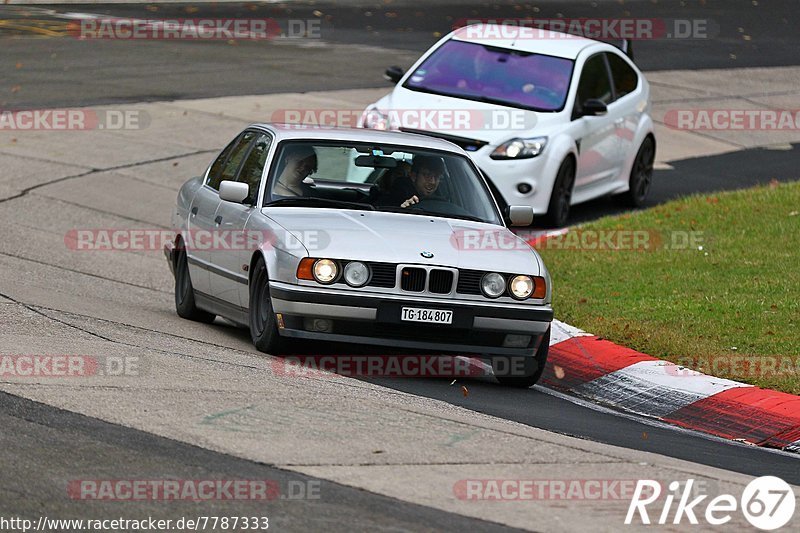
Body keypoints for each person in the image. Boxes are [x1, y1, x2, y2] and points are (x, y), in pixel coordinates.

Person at [374, 155, 445, 208]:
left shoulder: (443, 204)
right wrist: (402, 209)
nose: (432, 182)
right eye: (427, 175)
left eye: (437, 176)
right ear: (413, 176)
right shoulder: (392, 199)